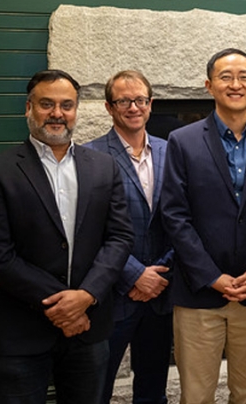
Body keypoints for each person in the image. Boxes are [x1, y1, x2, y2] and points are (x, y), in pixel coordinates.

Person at [161, 48, 246, 404]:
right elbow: (174, 215)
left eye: (243, 77)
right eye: (225, 77)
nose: (235, 84)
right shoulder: (182, 141)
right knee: (196, 394)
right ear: (209, 85)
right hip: (199, 293)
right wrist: (210, 275)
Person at [0, 69, 134, 403]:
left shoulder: (104, 167)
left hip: (89, 329)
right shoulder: (2, 170)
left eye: (66, 105)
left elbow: (119, 237)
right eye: (47, 104)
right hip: (21, 331)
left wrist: (86, 296)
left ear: (76, 110)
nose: (57, 113)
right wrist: (65, 304)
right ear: (28, 109)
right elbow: (1, 254)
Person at [85, 70, 174, 404]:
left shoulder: (172, 152)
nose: (133, 107)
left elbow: (182, 220)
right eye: (124, 101)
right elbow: (90, 230)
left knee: (153, 390)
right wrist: (136, 275)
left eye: (140, 100)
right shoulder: (90, 157)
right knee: (96, 389)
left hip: (161, 295)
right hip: (112, 295)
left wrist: (160, 274)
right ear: (110, 106)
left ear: (150, 105)